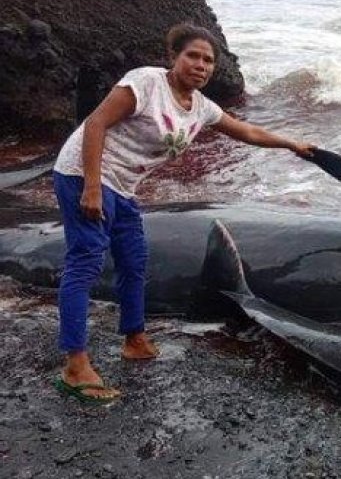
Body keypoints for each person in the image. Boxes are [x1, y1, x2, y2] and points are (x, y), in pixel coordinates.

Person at [51, 23, 314, 402]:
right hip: (83, 172)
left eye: (208, 60)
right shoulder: (145, 83)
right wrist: (91, 186)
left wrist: (291, 144)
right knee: (85, 263)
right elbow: (95, 123)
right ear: (174, 56)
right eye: (193, 55)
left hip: (123, 186)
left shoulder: (202, 108)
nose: (201, 65)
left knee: (134, 260)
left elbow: (246, 131)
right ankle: (75, 366)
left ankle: (134, 339)